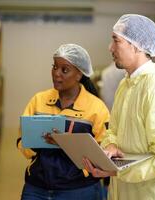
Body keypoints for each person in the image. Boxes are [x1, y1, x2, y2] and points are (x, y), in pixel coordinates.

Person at [83, 14, 155, 200]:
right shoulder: (126, 84)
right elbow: (113, 130)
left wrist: (115, 172)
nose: (110, 48)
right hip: (122, 192)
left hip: (152, 194)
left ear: (136, 45)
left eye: (116, 41)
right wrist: (111, 145)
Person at [17, 43, 110, 200]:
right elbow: (21, 142)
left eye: (64, 70)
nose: (56, 74)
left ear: (79, 75)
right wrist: (39, 143)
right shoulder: (39, 100)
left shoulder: (96, 108)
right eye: (54, 67)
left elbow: (104, 155)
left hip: (79, 190)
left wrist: (67, 143)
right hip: (37, 187)